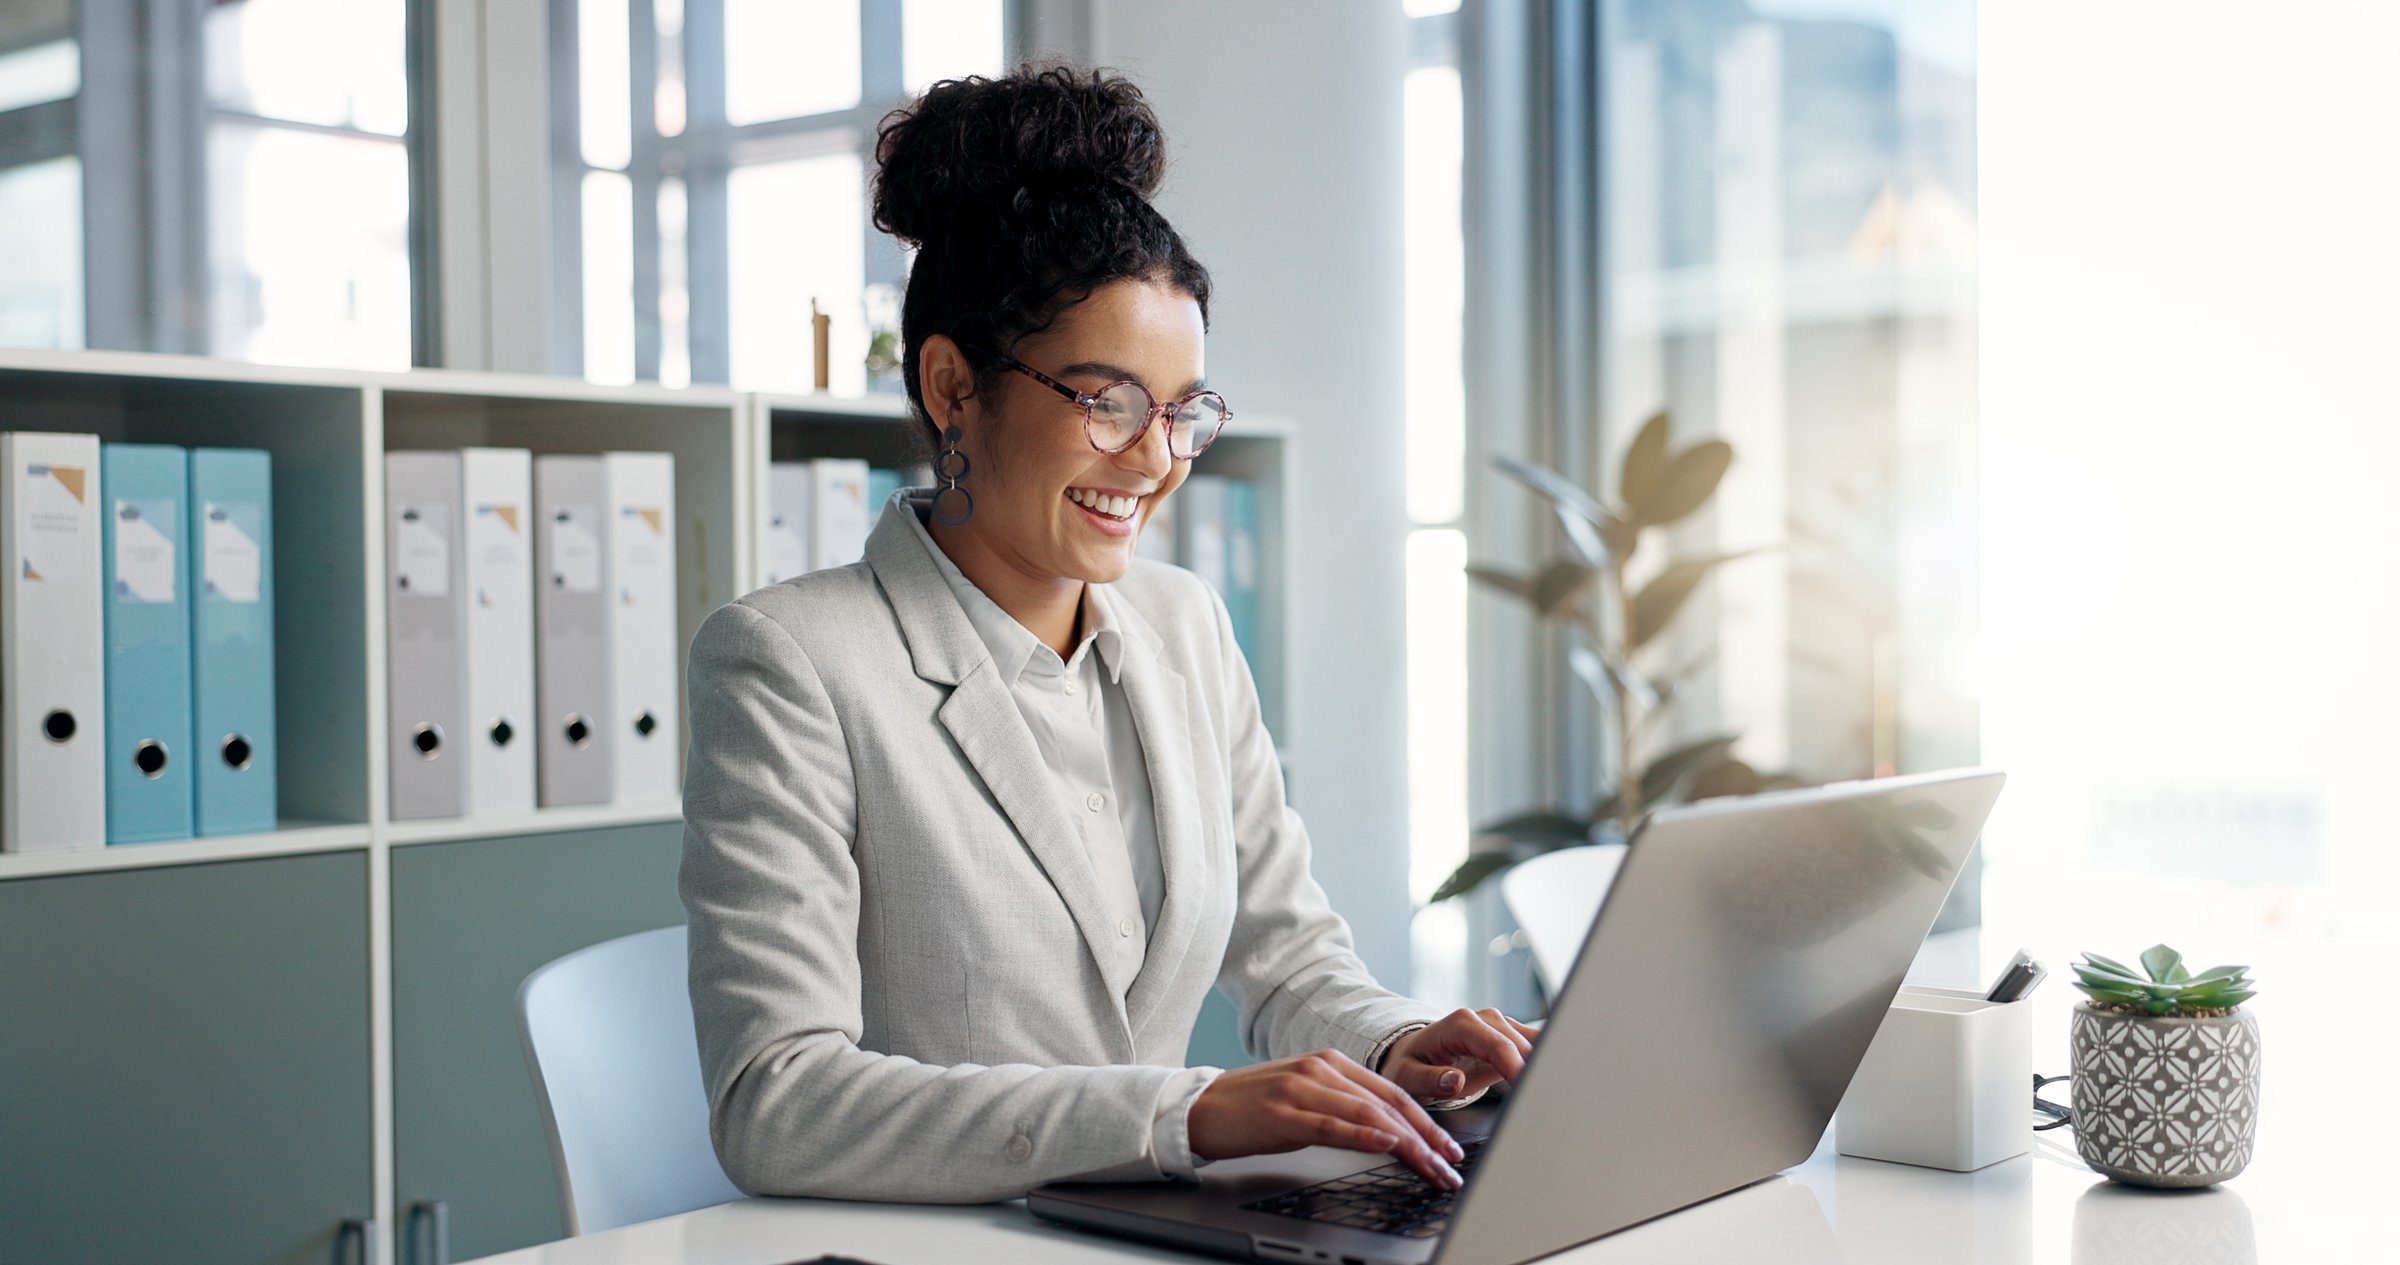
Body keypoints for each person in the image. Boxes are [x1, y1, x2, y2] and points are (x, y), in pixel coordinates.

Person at [679, 64, 1538, 1205]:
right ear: (949, 386)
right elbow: (777, 1100)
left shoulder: (1183, 625)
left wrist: (1401, 1042)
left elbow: (1291, 955)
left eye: (1183, 409)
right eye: (1107, 400)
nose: (1156, 458)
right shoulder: (792, 661)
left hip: (1146, 1230)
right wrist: (1180, 1110)